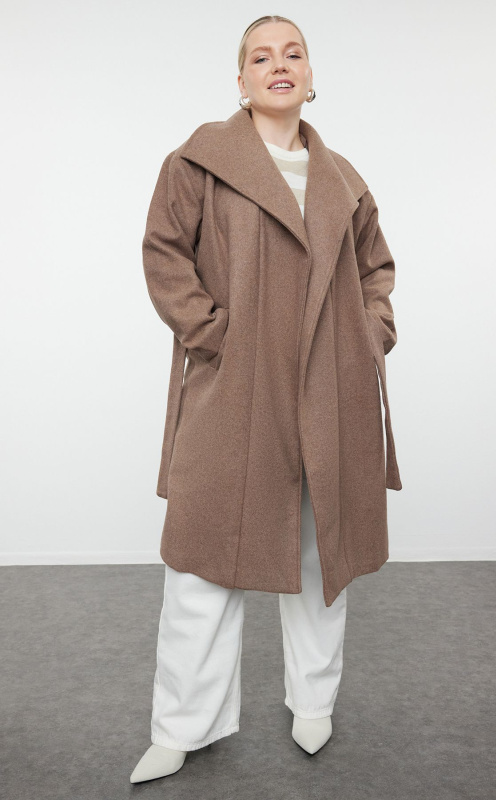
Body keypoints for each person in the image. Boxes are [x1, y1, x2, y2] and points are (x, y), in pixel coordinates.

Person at [131, 14, 402, 784]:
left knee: (321, 553)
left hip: (330, 385)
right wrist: (213, 335)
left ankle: (312, 701)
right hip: (235, 387)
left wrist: (370, 332)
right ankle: (181, 724)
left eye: (292, 53)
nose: (278, 64)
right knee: (202, 561)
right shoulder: (198, 162)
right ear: (241, 80)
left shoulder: (343, 178)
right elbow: (164, 254)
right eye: (261, 56)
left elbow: (375, 269)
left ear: (309, 76)